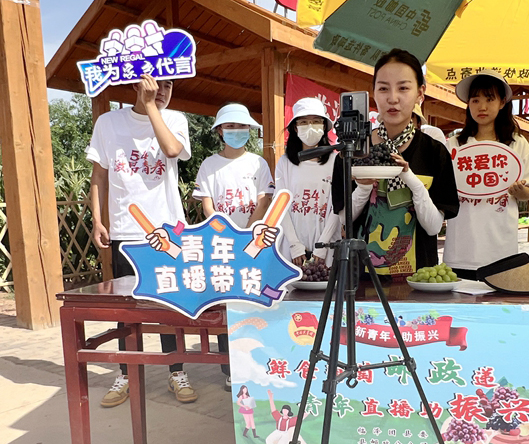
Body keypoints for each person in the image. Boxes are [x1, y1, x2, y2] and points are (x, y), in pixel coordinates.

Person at [87, 74, 197, 407]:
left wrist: (151, 106)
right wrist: (97, 220)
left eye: (168, 85)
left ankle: (176, 370)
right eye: (155, 83)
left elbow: (173, 150)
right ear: (137, 83)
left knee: (168, 307)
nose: (162, 90)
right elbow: (99, 175)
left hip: (167, 232)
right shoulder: (108, 123)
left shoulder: (174, 119)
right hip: (126, 232)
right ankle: (127, 373)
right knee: (127, 308)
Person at [331, 49, 459, 277]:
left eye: (403, 88)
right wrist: (363, 187)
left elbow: (432, 227)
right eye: (383, 88)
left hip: (419, 279)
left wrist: (410, 178)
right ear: (373, 93)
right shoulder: (351, 151)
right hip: (361, 278)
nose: (392, 98)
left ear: (420, 93)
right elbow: (344, 219)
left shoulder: (434, 152)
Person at [192, 103, 275, 391]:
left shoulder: (258, 163)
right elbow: (207, 205)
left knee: (253, 303)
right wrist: (226, 233)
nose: (236, 131)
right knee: (225, 305)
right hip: (221, 246)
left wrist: (247, 231)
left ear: (249, 130)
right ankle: (230, 369)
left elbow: (264, 199)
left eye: (242, 126)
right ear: (219, 131)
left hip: (253, 243)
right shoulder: (209, 165)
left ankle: (258, 362)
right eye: (230, 126)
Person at [442, 70, 529, 278]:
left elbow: (528, 193)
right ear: (468, 104)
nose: (482, 107)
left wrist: (519, 191)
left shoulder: (516, 144)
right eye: (475, 100)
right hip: (460, 250)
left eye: (489, 99)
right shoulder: (454, 144)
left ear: (502, 102)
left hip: (501, 250)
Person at [275, 97, 340, 267]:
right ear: (295, 128)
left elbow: (337, 205)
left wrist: (323, 244)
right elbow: (280, 204)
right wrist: (294, 244)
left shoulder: (335, 161)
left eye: (316, 121)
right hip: (292, 249)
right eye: (303, 122)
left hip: (327, 248)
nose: (310, 126)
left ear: (324, 126)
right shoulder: (285, 163)